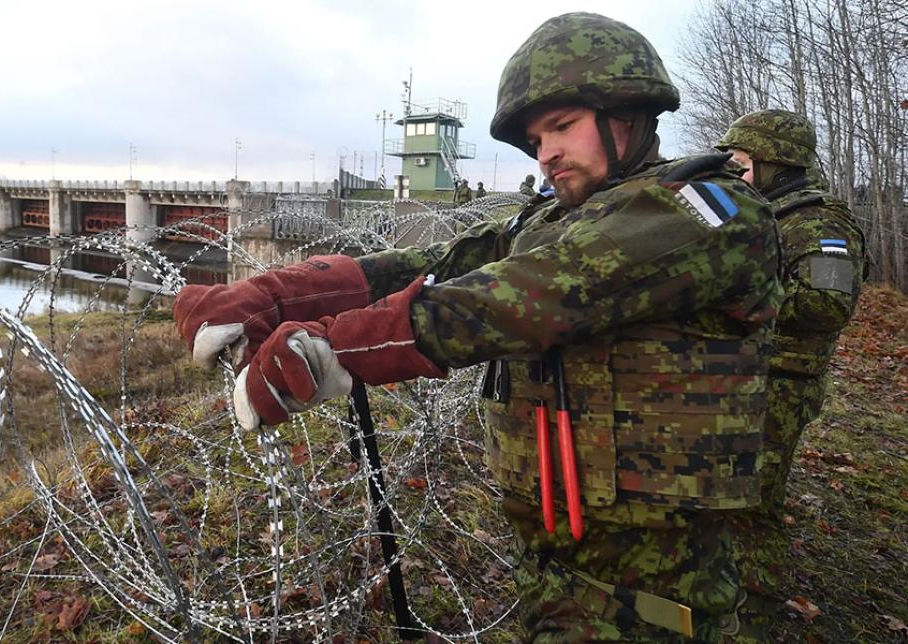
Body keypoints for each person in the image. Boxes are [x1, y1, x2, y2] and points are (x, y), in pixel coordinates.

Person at [172, 12, 783, 641]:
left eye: (563, 127)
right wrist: (275, 294)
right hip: (555, 572)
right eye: (535, 140)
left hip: (651, 599)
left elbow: (530, 292)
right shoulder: (555, 220)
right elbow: (439, 263)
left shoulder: (708, 213)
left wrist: (334, 350)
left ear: (627, 114)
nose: (546, 153)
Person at [715, 109, 867, 641]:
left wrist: (736, 296)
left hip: (781, 386)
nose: (735, 173)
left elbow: (828, 303)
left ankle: (754, 613)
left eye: (742, 163)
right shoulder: (766, 213)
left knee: (754, 503)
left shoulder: (820, 224)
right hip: (745, 378)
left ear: (777, 162)